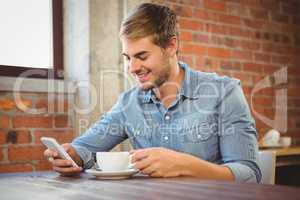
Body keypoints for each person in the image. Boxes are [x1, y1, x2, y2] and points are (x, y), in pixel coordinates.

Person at [44, 3, 261, 183]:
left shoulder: (224, 92)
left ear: (170, 46)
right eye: (128, 57)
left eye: (142, 56)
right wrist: (72, 156)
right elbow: (85, 147)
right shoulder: (129, 103)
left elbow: (250, 174)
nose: (132, 67)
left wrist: (184, 164)